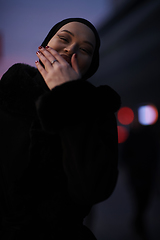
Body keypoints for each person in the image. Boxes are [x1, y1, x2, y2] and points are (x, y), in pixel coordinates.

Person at [0, 18, 121, 239]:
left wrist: (68, 95)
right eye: (64, 38)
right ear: (43, 47)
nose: (71, 48)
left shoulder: (98, 110)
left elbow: (93, 188)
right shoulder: (8, 93)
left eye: (85, 49)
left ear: (90, 65)